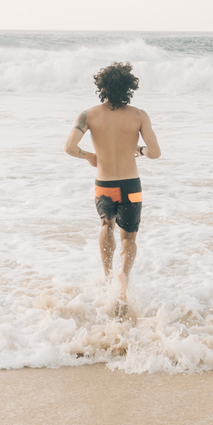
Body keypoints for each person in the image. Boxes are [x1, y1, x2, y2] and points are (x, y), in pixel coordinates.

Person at [65, 61, 160, 303]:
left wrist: (90, 157)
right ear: (129, 87)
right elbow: (155, 153)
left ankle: (108, 277)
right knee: (129, 239)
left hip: (104, 186)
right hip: (131, 187)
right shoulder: (139, 116)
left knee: (106, 226)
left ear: (102, 87)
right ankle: (123, 277)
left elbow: (69, 148)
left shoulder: (88, 115)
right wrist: (140, 148)